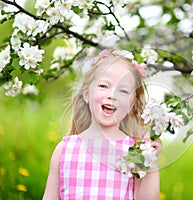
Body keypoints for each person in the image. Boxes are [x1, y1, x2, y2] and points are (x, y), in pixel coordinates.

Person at [43, 49, 162, 200]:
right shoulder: (65, 149)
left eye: (123, 91)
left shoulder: (136, 150)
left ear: (131, 104)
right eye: (104, 86)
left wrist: (150, 161)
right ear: (86, 93)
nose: (112, 95)